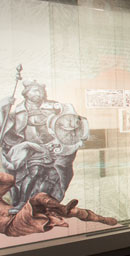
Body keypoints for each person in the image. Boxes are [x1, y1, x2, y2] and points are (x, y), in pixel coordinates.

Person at [0, 81, 88, 214]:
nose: (38, 93)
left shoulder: (53, 107)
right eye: (34, 90)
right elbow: (7, 130)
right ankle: (23, 203)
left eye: (40, 90)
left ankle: (47, 205)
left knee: (54, 176)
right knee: (34, 172)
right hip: (31, 151)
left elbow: (69, 119)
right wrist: (3, 108)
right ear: (26, 93)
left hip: (53, 149)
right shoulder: (19, 111)